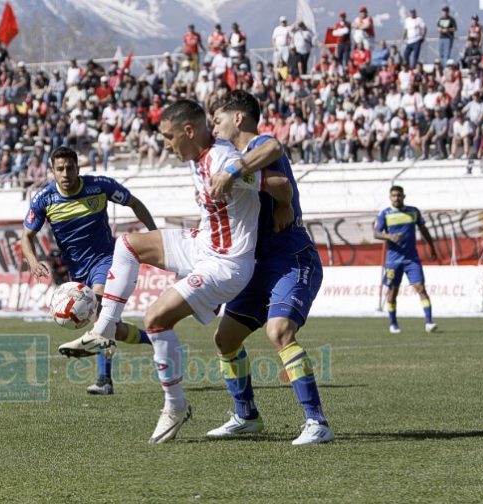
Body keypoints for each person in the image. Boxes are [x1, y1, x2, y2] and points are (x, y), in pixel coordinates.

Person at [59, 100, 288, 443]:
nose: (165, 144)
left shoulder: (222, 160)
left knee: (156, 318)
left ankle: (175, 407)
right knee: (127, 244)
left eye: (168, 137)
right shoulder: (199, 156)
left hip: (226, 264)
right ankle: (104, 329)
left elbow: (280, 180)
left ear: (188, 132)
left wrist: (280, 204)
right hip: (202, 244)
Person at [207, 90, 334, 445]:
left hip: (290, 257)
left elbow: (276, 153)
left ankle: (317, 422)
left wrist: (237, 173)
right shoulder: (235, 158)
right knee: (225, 339)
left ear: (238, 118)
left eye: (217, 119)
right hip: (255, 264)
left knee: (279, 332)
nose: (213, 127)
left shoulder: (258, 146)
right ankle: (245, 416)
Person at [21, 147, 157, 395]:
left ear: (78, 168)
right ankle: (156, 339)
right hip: (77, 270)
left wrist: (154, 232)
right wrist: (32, 261)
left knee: (98, 309)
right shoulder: (44, 199)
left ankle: (104, 379)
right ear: (52, 171)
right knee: (110, 325)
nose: (65, 173)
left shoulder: (99, 186)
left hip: (106, 260)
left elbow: (134, 203)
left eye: (69, 168)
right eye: (59, 169)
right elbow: (26, 236)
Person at [374, 186, 438, 334]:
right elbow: (376, 233)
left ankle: (429, 322)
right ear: (390, 198)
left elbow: (423, 229)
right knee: (392, 292)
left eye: (399, 195)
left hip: (412, 259)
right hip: (393, 260)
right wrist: (389, 236)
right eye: (393, 196)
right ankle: (393, 324)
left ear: (404, 196)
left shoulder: (413, 212)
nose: (396, 198)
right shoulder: (385, 214)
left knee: (421, 288)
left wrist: (432, 246)